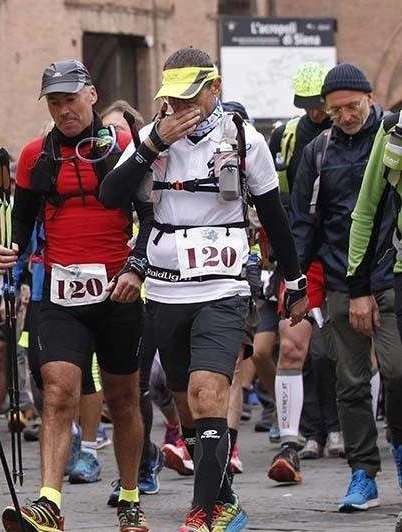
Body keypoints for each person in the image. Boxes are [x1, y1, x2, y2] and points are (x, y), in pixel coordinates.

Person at [99, 48, 308, 532]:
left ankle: (205, 511)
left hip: (224, 286)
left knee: (208, 393)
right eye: (172, 97)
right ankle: (227, 502)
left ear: (215, 89)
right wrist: (152, 145)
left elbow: (274, 216)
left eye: (190, 96)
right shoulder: (153, 135)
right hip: (166, 290)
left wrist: (293, 282)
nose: (180, 106)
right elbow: (111, 196)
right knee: (190, 408)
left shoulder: (242, 138)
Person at [0, 59, 150, 532]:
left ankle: (129, 498)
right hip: (60, 293)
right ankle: (49, 503)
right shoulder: (34, 156)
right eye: (55, 102)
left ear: (92, 96)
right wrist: (11, 255)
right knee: (59, 391)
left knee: (123, 400)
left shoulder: (126, 148)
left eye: (70, 99)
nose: (64, 110)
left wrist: (138, 270)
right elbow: (22, 221)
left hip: (119, 293)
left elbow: (151, 216)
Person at [291, 63, 400, 512]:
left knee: (396, 373)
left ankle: (398, 448)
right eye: (335, 111)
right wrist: (297, 283)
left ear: (369, 98)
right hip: (339, 278)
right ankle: (363, 473)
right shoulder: (319, 150)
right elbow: (302, 221)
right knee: (351, 381)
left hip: (390, 275)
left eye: (352, 107)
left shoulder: (392, 137)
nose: (345, 116)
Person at [261, 62, 337, 483]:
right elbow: (273, 198)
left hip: (343, 252)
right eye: (308, 106)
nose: (316, 113)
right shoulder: (286, 136)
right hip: (300, 253)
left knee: (352, 352)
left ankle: (344, 429)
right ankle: (293, 441)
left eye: (320, 105)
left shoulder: (362, 134)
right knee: (292, 349)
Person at [347, 104, 402, 525]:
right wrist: (359, 287)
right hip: (395, 275)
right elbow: (366, 209)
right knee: (398, 377)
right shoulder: (394, 127)